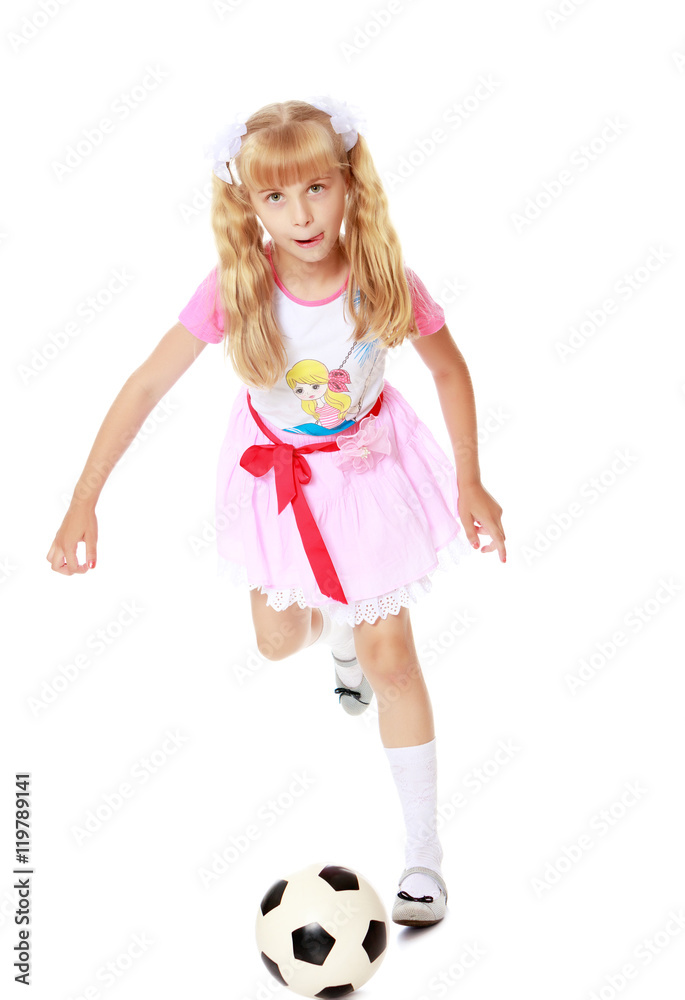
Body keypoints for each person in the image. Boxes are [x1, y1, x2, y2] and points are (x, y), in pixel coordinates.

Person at [46, 96, 506, 928]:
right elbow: (146, 385)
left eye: (316, 188)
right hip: (277, 481)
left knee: (395, 662)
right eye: (276, 196)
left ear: (347, 184)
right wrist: (85, 499)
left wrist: (470, 480)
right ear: (250, 204)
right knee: (275, 639)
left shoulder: (382, 277)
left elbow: (449, 370)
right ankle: (337, 637)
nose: (301, 215)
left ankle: (422, 856)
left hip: (367, 473)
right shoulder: (238, 287)